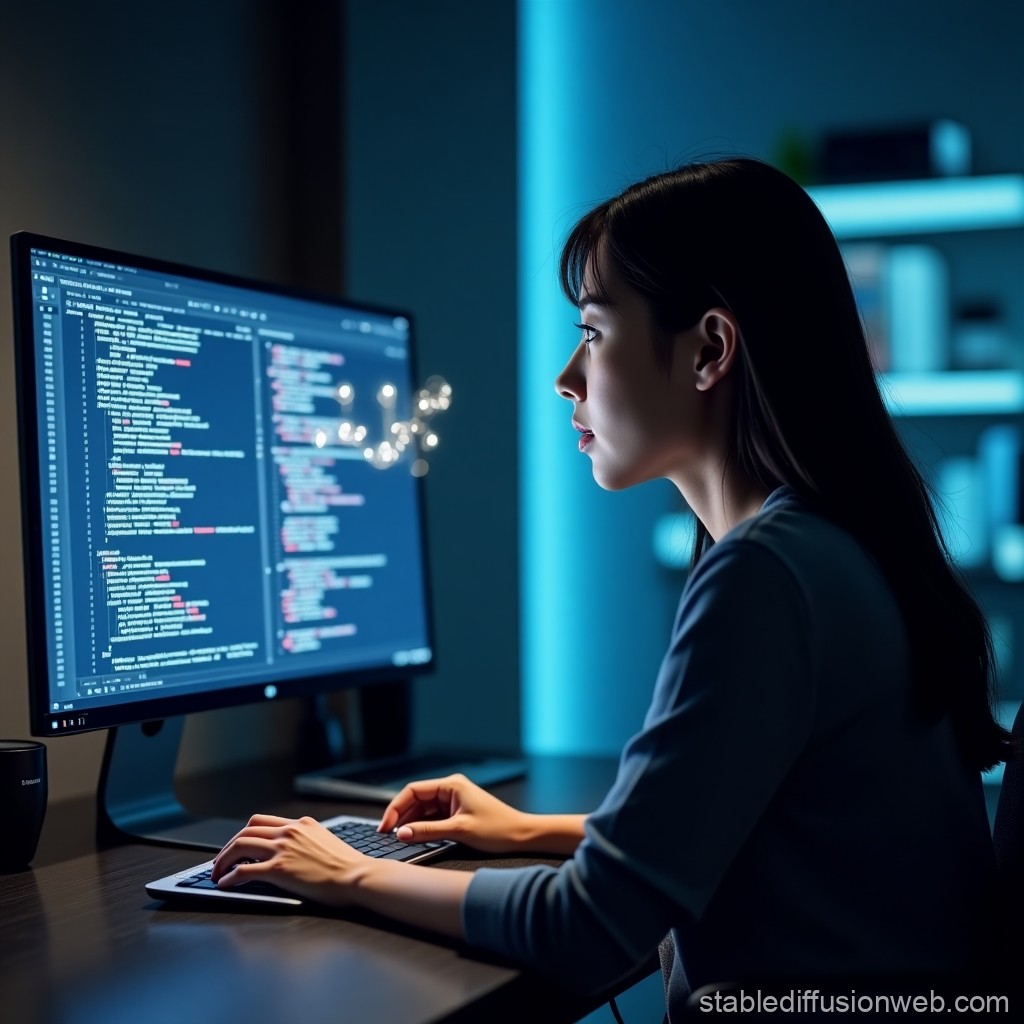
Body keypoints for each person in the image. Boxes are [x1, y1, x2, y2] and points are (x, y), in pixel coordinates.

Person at [212, 158, 1008, 1018]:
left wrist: (352, 874)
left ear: (709, 349)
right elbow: (763, 832)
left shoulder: (767, 574)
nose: (566, 376)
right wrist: (528, 832)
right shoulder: (842, 544)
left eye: (592, 332)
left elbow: (591, 927)